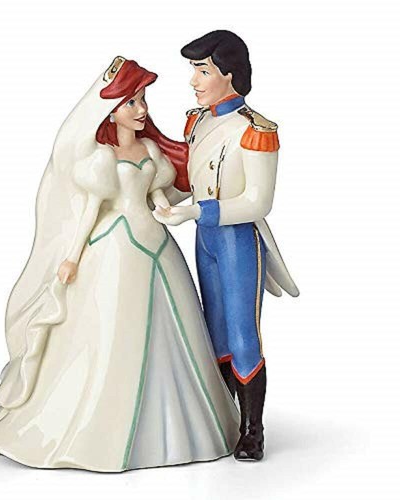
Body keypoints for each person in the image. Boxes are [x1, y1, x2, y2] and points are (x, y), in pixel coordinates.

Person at [0, 57, 240, 472]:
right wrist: (72, 257)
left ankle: (181, 423)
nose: (141, 110)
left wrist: (172, 212)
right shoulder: (102, 158)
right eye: (132, 102)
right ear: (111, 111)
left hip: (155, 245)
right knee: (114, 327)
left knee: (173, 326)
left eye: (143, 100)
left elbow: (157, 196)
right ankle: (104, 427)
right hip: (115, 247)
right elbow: (91, 209)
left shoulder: (149, 150)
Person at [153, 30, 299, 461]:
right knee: (214, 330)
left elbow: (258, 201)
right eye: (194, 71)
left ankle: (253, 430)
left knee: (242, 334)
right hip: (207, 238)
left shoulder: (255, 130)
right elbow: (191, 182)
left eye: (203, 71)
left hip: (236, 241)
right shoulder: (198, 122)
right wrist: (160, 198)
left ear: (229, 74)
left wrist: (196, 212)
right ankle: (223, 416)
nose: (193, 82)